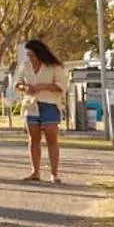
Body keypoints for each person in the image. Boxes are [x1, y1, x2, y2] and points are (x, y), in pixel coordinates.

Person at [15, 38, 68, 183]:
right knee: (34, 139)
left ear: (40, 54)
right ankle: (35, 172)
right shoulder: (25, 65)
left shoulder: (54, 66)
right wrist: (25, 88)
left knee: (52, 138)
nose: (30, 58)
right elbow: (17, 83)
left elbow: (61, 87)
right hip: (31, 105)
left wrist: (42, 86)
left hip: (50, 104)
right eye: (28, 55)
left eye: (32, 55)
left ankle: (54, 173)